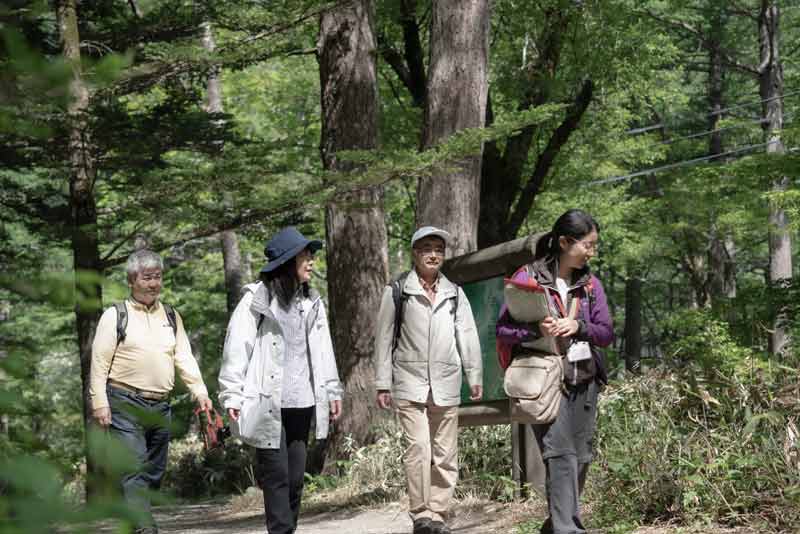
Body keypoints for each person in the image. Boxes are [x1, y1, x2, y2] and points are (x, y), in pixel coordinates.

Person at [218, 226, 343, 534]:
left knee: (297, 479)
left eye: (311, 254)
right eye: (305, 255)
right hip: (267, 403)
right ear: (288, 261)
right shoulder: (256, 301)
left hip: (302, 401)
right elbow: (237, 349)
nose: (312, 261)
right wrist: (231, 395)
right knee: (277, 477)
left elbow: (324, 351)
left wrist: (331, 391)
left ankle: (287, 529)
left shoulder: (311, 301)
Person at [496, 209, 614, 534]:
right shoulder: (527, 278)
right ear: (564, 242)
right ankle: (569, 530)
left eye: (594, 245)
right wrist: (537, 330)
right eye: (587, 245)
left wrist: (578, 325)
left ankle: (556, 526)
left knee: (581, 457)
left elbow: (606, 333)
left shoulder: (590, 285)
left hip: (583, 378)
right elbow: (503, 330)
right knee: (560, 455)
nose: (591, 252)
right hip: (544, 381)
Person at [89, 249, 212, 534]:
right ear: (132, 279)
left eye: (158, 277)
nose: (154, 283)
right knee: (134, 467)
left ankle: (132, 517)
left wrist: (200, 392)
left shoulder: (170, 315)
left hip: (160, 405)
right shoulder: (115, 315)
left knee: (153, 473)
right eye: (147, 278)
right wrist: (99, 402)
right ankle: (146, 528)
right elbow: (99, 362)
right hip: (123, 402)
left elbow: (184, 356)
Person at [373, 226, 483, 534]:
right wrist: (383, 382)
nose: (433, 254)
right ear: (414, 253)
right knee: (419, 448)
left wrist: (474, 374)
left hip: (447, 380)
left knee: (446, 453)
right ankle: (420, 513)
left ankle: (438, 513)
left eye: (439, 249)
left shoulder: (454, 293)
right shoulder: (398, 290)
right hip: (409, 380)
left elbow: (468, 335)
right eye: (426, 248)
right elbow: (382, 339)